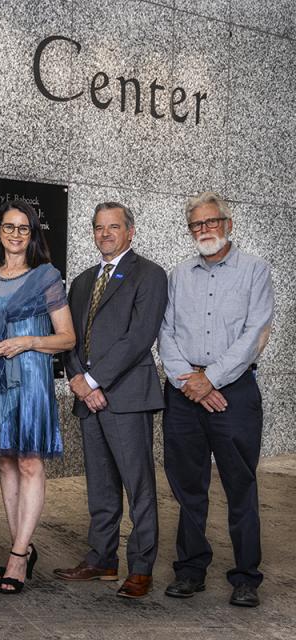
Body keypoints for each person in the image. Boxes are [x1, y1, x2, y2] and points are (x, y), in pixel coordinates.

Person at [158, 191, 274, 608]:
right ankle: (190, 570)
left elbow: (254, 335)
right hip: (184, 392)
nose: (203, 230)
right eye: (196, 225)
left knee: (240, 484)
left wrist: (213, 380)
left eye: (210, 222)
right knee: (188, 487)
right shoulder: (177, 276)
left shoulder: (255, 271)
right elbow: (165, 332)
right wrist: (191, 381)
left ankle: (246, 576)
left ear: (228, 224)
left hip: (234, 392)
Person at [55, 202, 168, 599]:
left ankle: (141, 566)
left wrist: (93, 378)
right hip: (89, 397)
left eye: (114, 227)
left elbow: (139, 337)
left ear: (130, 232)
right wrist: (77, 379)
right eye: (99, 227)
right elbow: (68, 338)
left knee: (138, 486)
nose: (105, 233)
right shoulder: (83, 281)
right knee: (100, 485)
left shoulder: (150, 275)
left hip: (126, 397)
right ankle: (101, 558)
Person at [0, 200, 75, 594]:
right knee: (5, 461)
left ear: (33, 236)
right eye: (9, 227)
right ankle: (23, 548)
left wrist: (26, 341)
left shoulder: (46, 276)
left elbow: (67, 337)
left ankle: (16, 556)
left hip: (30, 380)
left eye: (23, 229)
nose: (15, 235)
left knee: (30, 462)